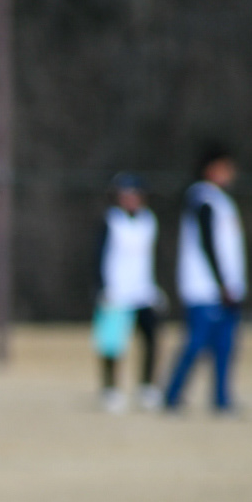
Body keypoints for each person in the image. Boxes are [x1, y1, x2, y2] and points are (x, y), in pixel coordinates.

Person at [164, 146, 246, 414]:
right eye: (225, 167)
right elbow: (207, 243)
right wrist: (222, 282)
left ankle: (222, 399)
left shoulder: (222, 201)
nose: (231, 173)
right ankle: (172, 395)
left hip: (227, 288)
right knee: (196, 343)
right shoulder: (202, 198)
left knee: (225, 346)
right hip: (204, 287)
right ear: (211, 169)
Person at [91, 172, 163, 413]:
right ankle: (110, 389)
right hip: (116, 291)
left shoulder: (149, 221)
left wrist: (155, 287)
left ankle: (147, 387)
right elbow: (98, 256)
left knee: (151, 340)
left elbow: (152, 258)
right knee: (112, 343)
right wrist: (102, 287)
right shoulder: (111, 221)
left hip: (143, 291)